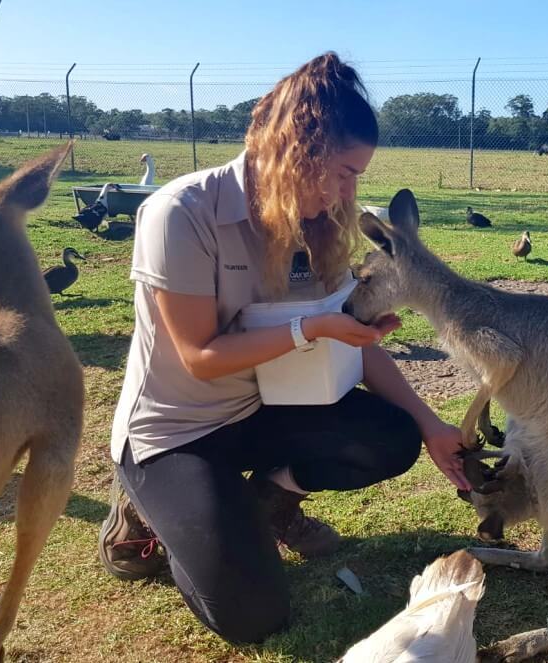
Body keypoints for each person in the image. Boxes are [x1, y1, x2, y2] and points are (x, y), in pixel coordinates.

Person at [97, 52, 470, 644]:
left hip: (263, 409)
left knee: (393, 434)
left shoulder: (317, 223)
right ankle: (149, 511)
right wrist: (311, 332)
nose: (351, 190)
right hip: (177, 431)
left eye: (359, 176)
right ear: (299, 149)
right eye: (345, 172)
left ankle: (265, 503)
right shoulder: (181, 214)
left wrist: (429, 423)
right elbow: (200, 355)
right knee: (254, 616)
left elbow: (359, 339)